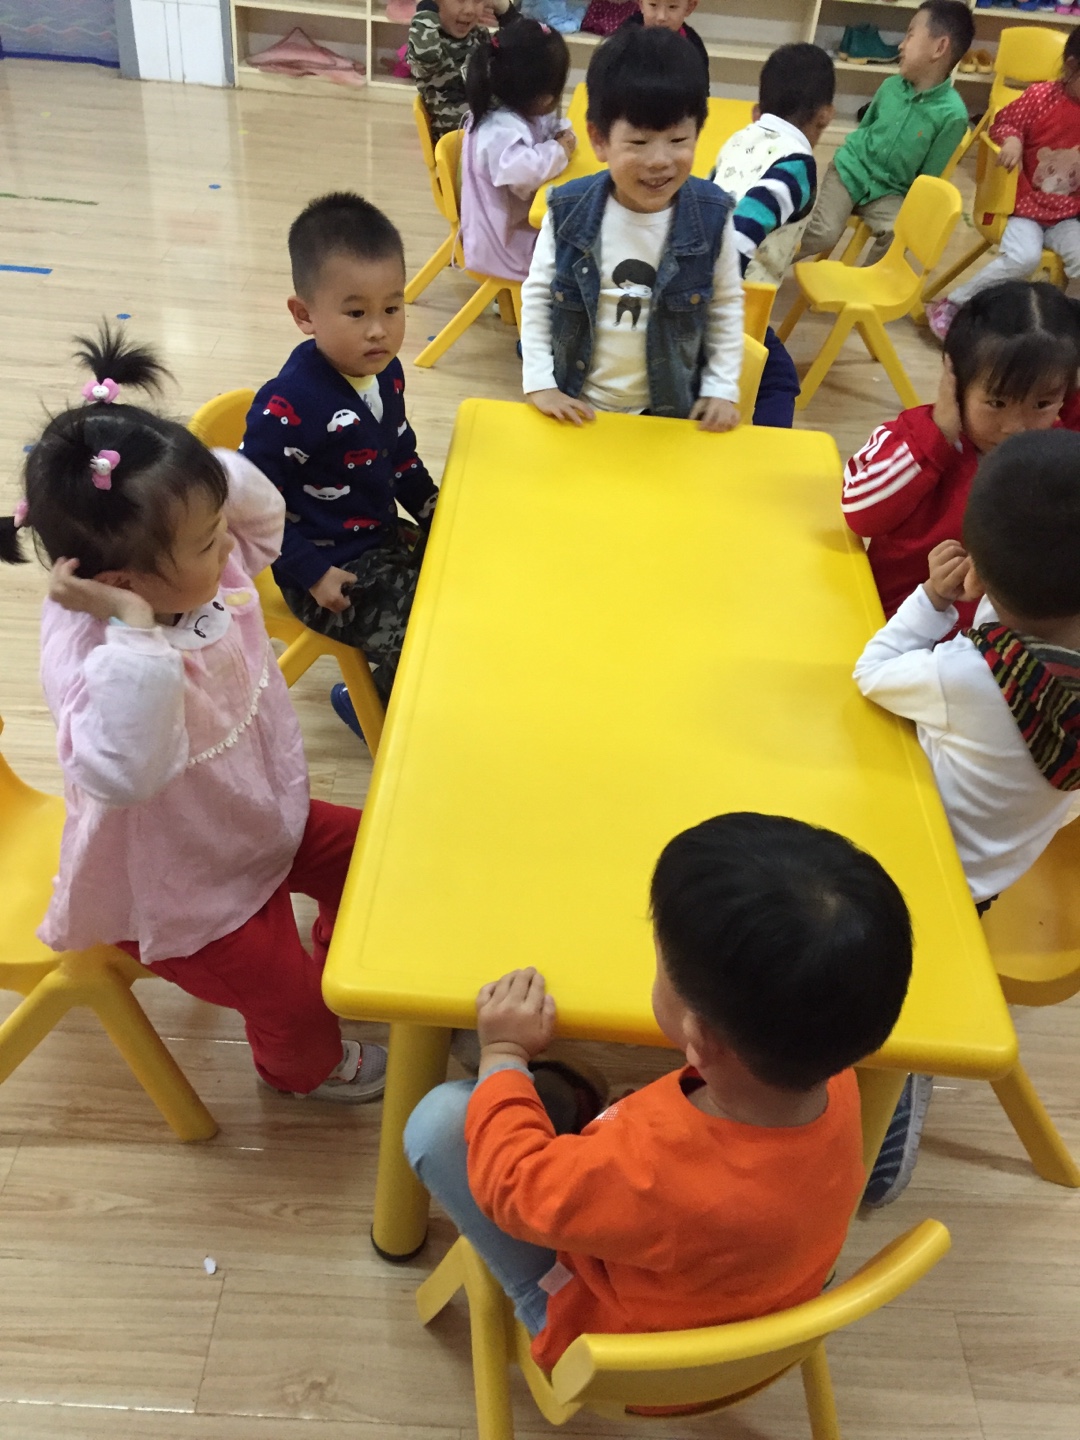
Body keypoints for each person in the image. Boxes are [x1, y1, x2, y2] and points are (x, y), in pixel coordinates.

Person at [0, 326, 386, 1103]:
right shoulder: (98, 660)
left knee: (370, 858)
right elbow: (124, 772)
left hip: (257, 820)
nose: (233, 548)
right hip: (183, 892)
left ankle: (339, 958)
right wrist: (136, 636)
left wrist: (200, 474)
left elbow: (263, 520)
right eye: (211, 540)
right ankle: (300, 1070)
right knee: (288, 999)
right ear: (123, 586)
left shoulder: (193, 567)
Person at [403, 813, 912, 1369]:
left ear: (699, 1036)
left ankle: (546, 1102)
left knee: (439, 1121)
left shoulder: (645, 1170)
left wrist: (503, 1053)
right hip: (754, 1322)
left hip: (609, 1347)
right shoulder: (837, 1077)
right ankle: (563, 1102)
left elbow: (514, 1188)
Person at [853, 430, 1080, 1204]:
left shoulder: (970, 675)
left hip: (921, 872)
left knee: (863, 988)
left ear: (977, 568)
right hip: (996, 875)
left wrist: (932, 600)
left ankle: (897, 1092)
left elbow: (873, 673)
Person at [241, 193, 438, 741]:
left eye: (392, 309)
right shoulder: (288, 405)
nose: (379, 330)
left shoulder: (386, 372)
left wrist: (433, 508)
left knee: (466, 572)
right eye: (356, 313)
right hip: (325, 571)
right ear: (304, 315)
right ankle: (372, 702)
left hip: (378, 538)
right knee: (429, 627)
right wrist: (311, 572)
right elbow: (248, 505)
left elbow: (400, 452)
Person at [520, 25, 744, 430]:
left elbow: (725, 306)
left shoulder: (712, 217)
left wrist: (720, 388)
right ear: (599, 139)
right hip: (579, 405)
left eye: (678, 140)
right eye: (639, 143)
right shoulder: (568, 210)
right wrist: (540, 383)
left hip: (668, 415)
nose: (659, 160)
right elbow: (538, 296)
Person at [842, 281, 1080, 629]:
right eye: (996, 403)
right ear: (955, 382)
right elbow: (860, 514)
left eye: (1041, 404)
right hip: (894, 629)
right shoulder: (912, 437)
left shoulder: (1061, 451)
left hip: (997, 646)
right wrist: (935, 437)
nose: (1016, 427)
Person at [926, 29, 1080, 340]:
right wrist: (1012, 140)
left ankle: (1064, 327)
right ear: (1071, 66)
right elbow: (1005, 122)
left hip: (1067, 217)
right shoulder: (1041, 97)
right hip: (1023, 209)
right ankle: (955, 304)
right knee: (1024, 258)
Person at [712, 42, 836, 426]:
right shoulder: (797, 164)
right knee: (778, 381)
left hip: (699, 277)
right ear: (825, 116)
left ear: (757, 109)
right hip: (734, 296)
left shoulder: (738, 139)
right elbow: (743, 227)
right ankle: (765, 450)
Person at [799, 0, 973, 265]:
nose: (901, 45)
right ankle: (763, 264)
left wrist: (909, 216)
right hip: (850, 172)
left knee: (897, 235)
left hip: (889, 192)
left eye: (910, 35)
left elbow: (928, 180)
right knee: (824, 234)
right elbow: (864, 130)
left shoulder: (953, 115)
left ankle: (865, 284)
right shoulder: (890, 86)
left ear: (939, 48)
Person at [460, 19, 575, 284]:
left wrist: (562, 136)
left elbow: (550, 126)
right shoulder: (498, 131)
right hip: (501, 246)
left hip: (511, 228)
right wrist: (558, 151)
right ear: (544, 97)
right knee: (573, 251)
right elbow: (526, 175)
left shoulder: (522, 111)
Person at [408, 0, 521, 142]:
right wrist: (426, 7)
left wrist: (506, 12)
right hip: (461, 145)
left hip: (493, 134)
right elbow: (426, 54)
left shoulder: (479, 35)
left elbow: (522, 49)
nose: (469, 10)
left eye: (477, 0)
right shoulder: (430, 45)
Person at [619, 0, 709, 78]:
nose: (661, 17)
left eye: (672, 7)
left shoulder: (694, 48)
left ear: (689, 7)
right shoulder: (624, 43)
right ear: (641, 3)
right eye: (653, 5)